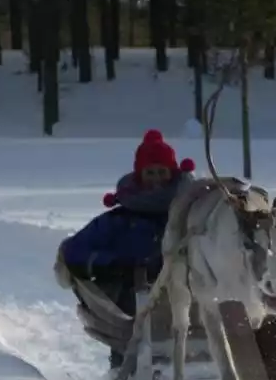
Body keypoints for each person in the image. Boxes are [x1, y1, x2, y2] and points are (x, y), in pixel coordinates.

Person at [57, 129, 196, 366]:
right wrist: (113, 264)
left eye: (162, 172)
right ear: (140, 176)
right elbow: (74, 250)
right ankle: (124, 369)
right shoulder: (121, 220)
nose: (156, 179)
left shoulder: (191, 215)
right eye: (150, 173)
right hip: (137, 298)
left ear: (172, 174)